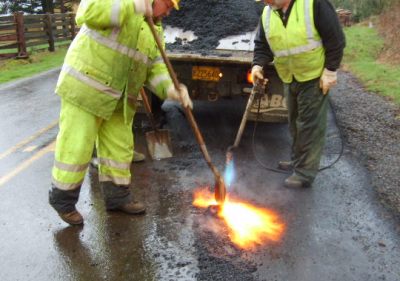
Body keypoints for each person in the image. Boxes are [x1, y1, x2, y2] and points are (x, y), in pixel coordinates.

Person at [49, 0, 193, 225]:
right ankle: (63, 201)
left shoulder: (155, 29)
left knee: (119, 149)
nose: (169, 12)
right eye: (168, 5)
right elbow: (89, 12)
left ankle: (117, 197)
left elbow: (154, 66)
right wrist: (135, 5)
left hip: (120, 97)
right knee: (76, 147)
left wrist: (171, 89)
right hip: (86, 89)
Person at [252, 0, 345, 188]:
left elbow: (336, 39)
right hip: (289, 76)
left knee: (309, 125)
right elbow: (263, 44)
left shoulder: (313, 4)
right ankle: (297, 162)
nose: (265, 2)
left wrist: (330, 70)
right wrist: (257, 64)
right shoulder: (268, 13)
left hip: (313, 77)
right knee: (294, 123)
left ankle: (305, 173)